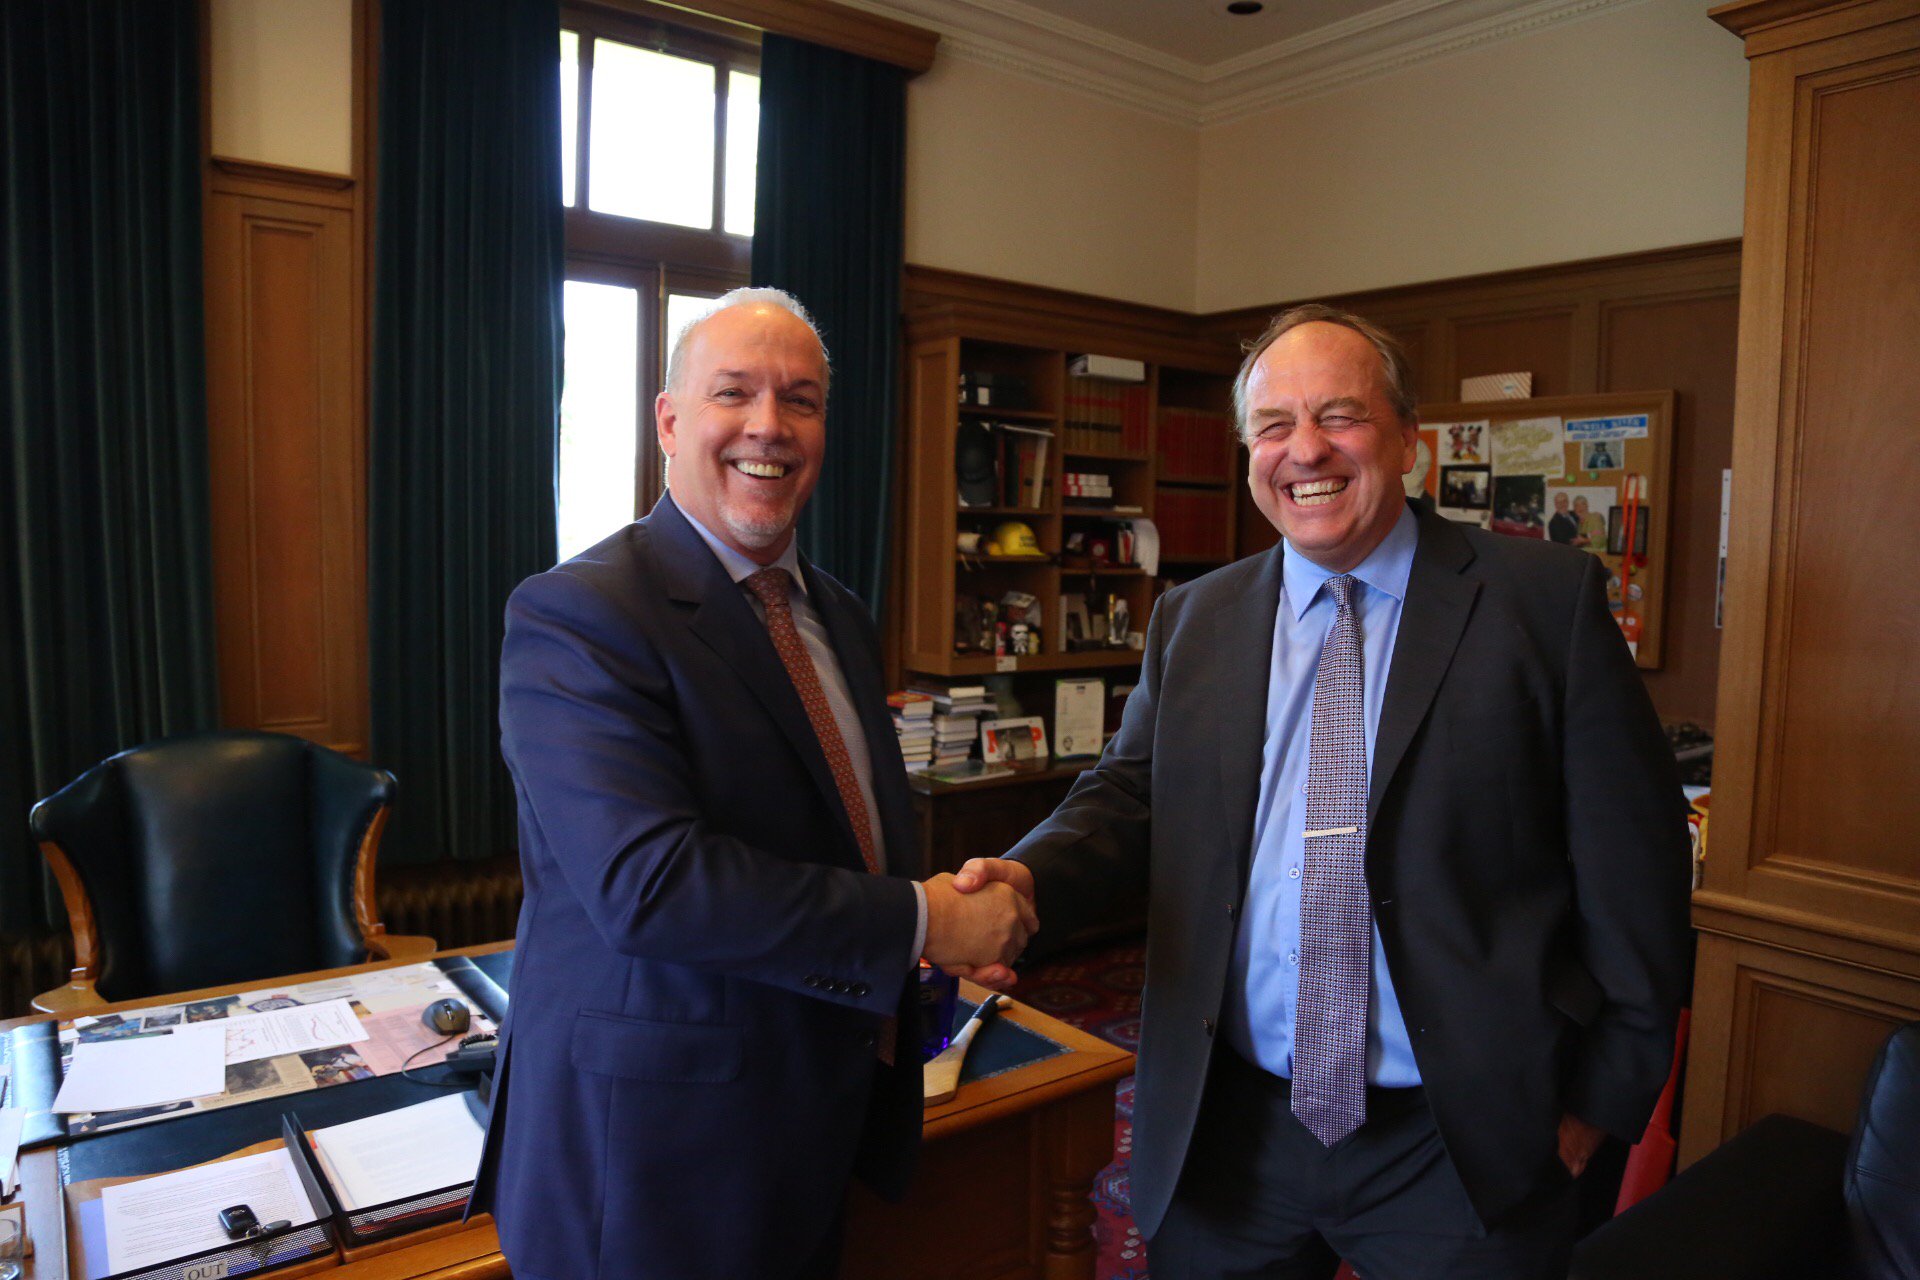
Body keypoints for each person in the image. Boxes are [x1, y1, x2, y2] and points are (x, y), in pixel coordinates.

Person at [950, 304, 1690, 1278]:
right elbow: (1129, 797)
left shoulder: (1542, 603)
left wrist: (1602, 1097)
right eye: (1273, 425)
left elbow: (1637, 869)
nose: (1305, 449)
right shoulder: (1195, 616)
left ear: (1407, 439)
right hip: (1234, 1127)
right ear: (1249, 450)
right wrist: (1023, 877)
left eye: (1339, 415)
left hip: (1460, 1134)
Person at [470, 288, 1038, 1280]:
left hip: (816, 1118)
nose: (769, 426)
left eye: (802, 399)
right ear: (671, 421)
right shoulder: (579, 613)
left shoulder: (842, 616)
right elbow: (652, 885)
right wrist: (924, 920)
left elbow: (842, 840)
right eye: (735, 392)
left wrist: (943, 933)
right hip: (651, 1157)